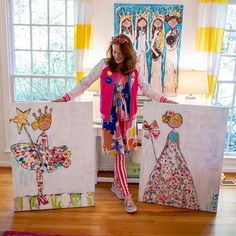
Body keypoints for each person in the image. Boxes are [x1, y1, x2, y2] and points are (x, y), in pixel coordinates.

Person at [53, 34, 176, 213]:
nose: (116, 56)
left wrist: (165, 100)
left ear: (128, 54)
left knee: (123, 153)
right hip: (111, 118)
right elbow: (85, 83)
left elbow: (147, 90)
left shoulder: (134, 69)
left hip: (128, 119)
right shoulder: (104, 64)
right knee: (119, 154)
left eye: (120, 53)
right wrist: (66, 98)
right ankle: (127, 196)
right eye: (114, 51)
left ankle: (116, 185)